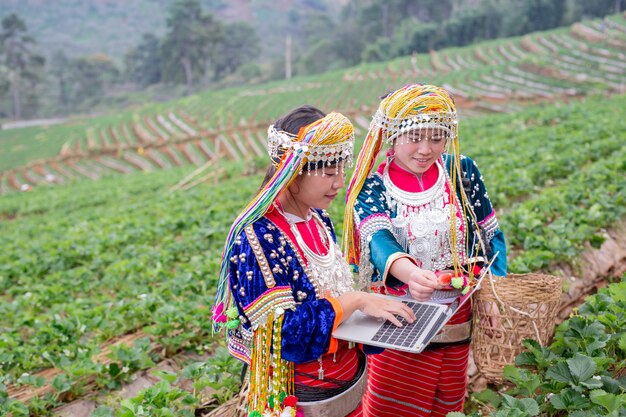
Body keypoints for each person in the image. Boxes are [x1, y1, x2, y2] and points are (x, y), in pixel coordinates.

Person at [213, 105, 416, 417]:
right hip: (302, 395)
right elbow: (282, 335)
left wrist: (368, 298)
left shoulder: (318, 217)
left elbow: (331, 289)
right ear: (292, 172)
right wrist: (356, 300)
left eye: (341, 170)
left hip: (347, 381)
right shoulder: (258, 237)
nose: (339, 183)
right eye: (329, 173)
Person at [342, 84, 507, 416]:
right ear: (391, 134)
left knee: (447, 404)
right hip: (400, 322)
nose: (425, 149)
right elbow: (378, 240)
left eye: (436, 137)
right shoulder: (372, 186)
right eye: (414, 137)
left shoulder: (462, 173)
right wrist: (411, 273)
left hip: (458, 321)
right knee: (393, 407)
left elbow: (491, 238)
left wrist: (493, 292)